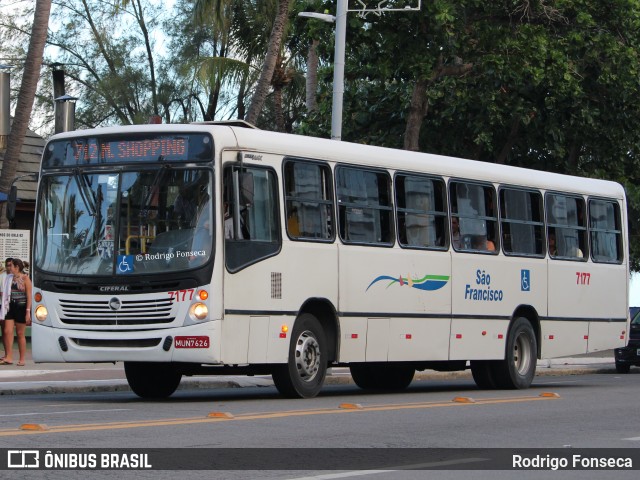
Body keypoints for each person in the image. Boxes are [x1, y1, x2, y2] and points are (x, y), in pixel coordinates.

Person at [0, 259, 33, 366]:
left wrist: (28, 311)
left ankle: (22, 358)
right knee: (7, 330)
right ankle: (9, 356)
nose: (10, 268)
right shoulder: (9, 278)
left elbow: (29, 296)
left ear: (17, 267)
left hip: (21, 307)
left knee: (20, 333)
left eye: (12, 266)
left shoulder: (25, 279)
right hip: (10, 306)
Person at [0, 258, 12, 362]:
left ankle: (9, 354)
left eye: (10, 265)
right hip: (2, 305)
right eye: (7, 265)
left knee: (8, 331)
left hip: (11, 306)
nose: (9, 267)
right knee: (4, 331)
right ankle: (6, 354)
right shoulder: (2, 276)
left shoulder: (16, 277)